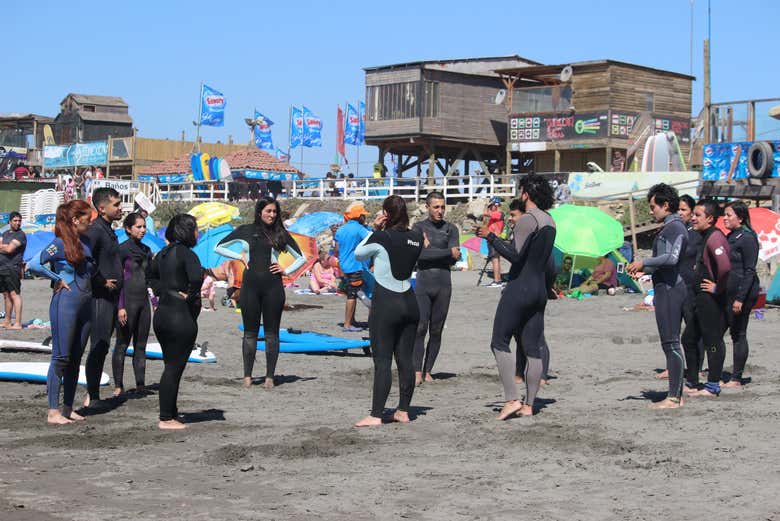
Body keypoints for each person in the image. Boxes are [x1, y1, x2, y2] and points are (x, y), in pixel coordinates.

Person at [477, 174, 556, 419]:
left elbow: (515, 255)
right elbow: (548, 262)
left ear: (526, 194)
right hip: (539, 290)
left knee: (499, 341)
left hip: (520, 287)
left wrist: (490, 236)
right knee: (533, 348)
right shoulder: (550, 221)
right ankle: (529, 405)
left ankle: (512, 399)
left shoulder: (527, 220)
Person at [215, 197, 305, 389]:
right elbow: (219, 247)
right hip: (250, 288)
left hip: (273, 288)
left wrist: (286, 270)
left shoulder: (280, 233)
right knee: (250, 333)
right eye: (268, 211)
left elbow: (301, 258)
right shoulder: (246, 230)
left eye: (274, 211)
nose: (272, 215)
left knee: (272, 333)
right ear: (259, 211)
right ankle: (247, 376)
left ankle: (269, 377)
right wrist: (239, 257)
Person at [353, 195, 423, 427]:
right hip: (410, 302)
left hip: (387, 304)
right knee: (405, 360)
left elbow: (358, 254)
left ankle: (375, 415)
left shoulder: (381, 236)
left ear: (386, 213)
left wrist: (374, 228)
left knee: (382, 360)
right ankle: (403, 410)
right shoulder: (416, 237)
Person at [27, 200, 94, 424]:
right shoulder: (59, 242)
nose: (89, 222)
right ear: (75, 220)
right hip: (65, 303)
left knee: (75, 358)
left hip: (85, 304)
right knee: (61, 357)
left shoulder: (85, 242)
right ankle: (53, 411)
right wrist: (56, 279)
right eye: (87, 218)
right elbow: (34, 264)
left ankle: (67, 408)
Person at [626, 184, 688, 410]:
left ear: (666, 205)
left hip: (672, 290)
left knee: (671, 343)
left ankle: (674, 397)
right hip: (664, 288)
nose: (651, 211)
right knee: (669, 343)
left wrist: (644, 261)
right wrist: (645, 270)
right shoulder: (669, 227)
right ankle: (675, 394)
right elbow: (664, 262)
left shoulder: (675, 227)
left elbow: (672, 258)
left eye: (653, 207)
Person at [147, 214, 203, 430]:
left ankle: (171, 411)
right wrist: (190, 295)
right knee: (173, 368)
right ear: (187, 231)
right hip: (180, 316)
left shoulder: (162, 253)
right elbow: (196, 278)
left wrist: (162, 291)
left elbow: (149, 276)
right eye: (195, 228)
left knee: (170, 365)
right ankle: (165, 418)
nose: (197, 233)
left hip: (162, 315)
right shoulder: (187, 254)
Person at [681, 199, 730, 398]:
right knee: (689, 339)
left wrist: (718, 288)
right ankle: (693, 382)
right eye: (693, 214)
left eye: (697, 215)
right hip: (701, 298)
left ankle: (712, 385)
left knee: (712, 340)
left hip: (710, 299)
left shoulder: (715, 237)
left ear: (709, 219)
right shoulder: (705, 236)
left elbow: (725, 267)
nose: (693, 218)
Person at [412, 191, 460, 385]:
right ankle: (416, 370)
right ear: (427, 207)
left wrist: (431, 250)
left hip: (443, 284)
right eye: (436, 207)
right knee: (420, 327)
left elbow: (455, 258)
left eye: (443, 207)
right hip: (423, 284)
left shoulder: (451, 229)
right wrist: (447, 252)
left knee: (437, 329)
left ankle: (428, 370)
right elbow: (419, 256)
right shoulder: (418, 227)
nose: (440, 211)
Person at [84, 187, 123, 408]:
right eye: (116, 204)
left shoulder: (108, 230)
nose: (120, 208)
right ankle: (93, 396)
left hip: (112, 298)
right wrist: (101, 281)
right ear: (101, 208)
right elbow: (85, 259)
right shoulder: (95, 231)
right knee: (98, 345)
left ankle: (93, 394)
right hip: (99, 297)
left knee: (104, 346)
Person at [656, 194, 702, 380]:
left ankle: (696, 368)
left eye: (684, 210)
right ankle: (672, 367)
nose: (681, 213)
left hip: (690, 287)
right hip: (673, 285)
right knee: (672, 331)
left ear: (692, 212)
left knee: (692, 332)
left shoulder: (695, 233)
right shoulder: (672, 230)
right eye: (679, 209)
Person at [112, 213, 153, 396]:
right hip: (127, 302)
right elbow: (119, 280)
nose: (143, 230)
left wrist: (154, 302)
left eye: (144, 226)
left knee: (141, 346)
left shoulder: (147, 250)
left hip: (143, 303)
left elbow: (149, 280)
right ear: (128, 229)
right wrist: (120, 306)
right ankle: (118, 386)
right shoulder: (121, 250)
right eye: (138, 227)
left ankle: (140, 384)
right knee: (122, 344)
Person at [722, 201, 759, 389]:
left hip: (743, 292)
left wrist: (740, 299)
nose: (725, 218)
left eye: (729, 215)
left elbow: (750, 271)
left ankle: (736, 378)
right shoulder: (730, 236)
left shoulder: (748, 238)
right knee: (718, 331)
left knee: (738, 333)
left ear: (741, 218)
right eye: (724, 214)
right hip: (728, 291)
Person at [334, 202, 371, 331]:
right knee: (354, 294)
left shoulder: (341, 229)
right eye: (363, 215)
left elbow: (336, 250)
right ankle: (348, 324)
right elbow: (371, 240)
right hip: (355, 265)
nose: (364, 218)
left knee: (351, 293)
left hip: (343, 266)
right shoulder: (359, 229)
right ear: (359, 216)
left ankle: (351, 321)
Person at [0, 212, 27, 330]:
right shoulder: (5, 233)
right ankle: (7, 321)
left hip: (13, 267)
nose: (18, 223)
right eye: (15, 220)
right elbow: (4, 247)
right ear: (10, 222)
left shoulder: (20, 235)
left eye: (19, 221)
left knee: (14, 294)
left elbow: (10, 249)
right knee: (6, 295)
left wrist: (5, 247)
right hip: (2, 267)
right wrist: (4, 246)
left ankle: (18, 323)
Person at [483, 198, 505, 287]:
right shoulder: (498, 214)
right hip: (495, 238)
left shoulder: (498, 214)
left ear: (495, 205)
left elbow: (485, 213)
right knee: (496, 259)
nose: (490, 207)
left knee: (495, 260)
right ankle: (498, 280)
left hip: (493, 239)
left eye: (492, 206)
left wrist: (486, 205)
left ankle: (496, 281)